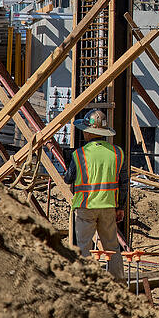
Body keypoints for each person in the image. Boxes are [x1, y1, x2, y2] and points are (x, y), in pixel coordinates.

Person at [62, 108, 128, 280]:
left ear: (88, 132)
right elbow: (124, 183)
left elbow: (68, 179)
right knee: (112, 246)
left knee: (84, 246)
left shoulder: (80, 154)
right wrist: (120, 207)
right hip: (108, 207)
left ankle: (87, 280)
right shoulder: (117, 153)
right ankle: (118, 281)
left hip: (85, 207)